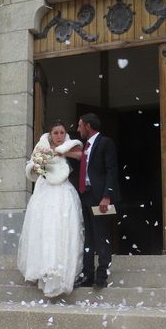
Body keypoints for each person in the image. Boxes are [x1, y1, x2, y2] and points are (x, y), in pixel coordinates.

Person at [17, 121, 84, 297]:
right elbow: (34, 169)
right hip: (45, 192)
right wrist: (48, 157)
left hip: (63, 192)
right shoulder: (43, 148)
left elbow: (80, 155)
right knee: (45, 228)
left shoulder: (71, 146)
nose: (59, 136)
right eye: (56, 133)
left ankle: (61, 272)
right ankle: (44, 269)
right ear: (50, 134)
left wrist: (62, 152)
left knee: (62, 229)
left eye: (62, 132)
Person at [67, 113, 118, 288]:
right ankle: (87, 274)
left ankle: (102, 275)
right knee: (88, 236)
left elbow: (111, 170)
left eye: (80, 125)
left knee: (101, 235)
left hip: (100, 196)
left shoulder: (105, 142)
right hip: (86, 194)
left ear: (88, 126)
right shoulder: (84, 147)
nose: (78, 129)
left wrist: (107, 196)